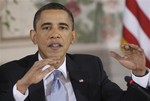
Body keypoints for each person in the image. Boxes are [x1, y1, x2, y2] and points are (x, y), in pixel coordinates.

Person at [0, 2, 149, 101]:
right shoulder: (12, 73)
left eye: (63, 27)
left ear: (72, 37)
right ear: (34, 37)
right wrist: (21, 88)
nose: (55, 34)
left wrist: (139, 74)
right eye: (46, 27)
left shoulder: (91, 66)